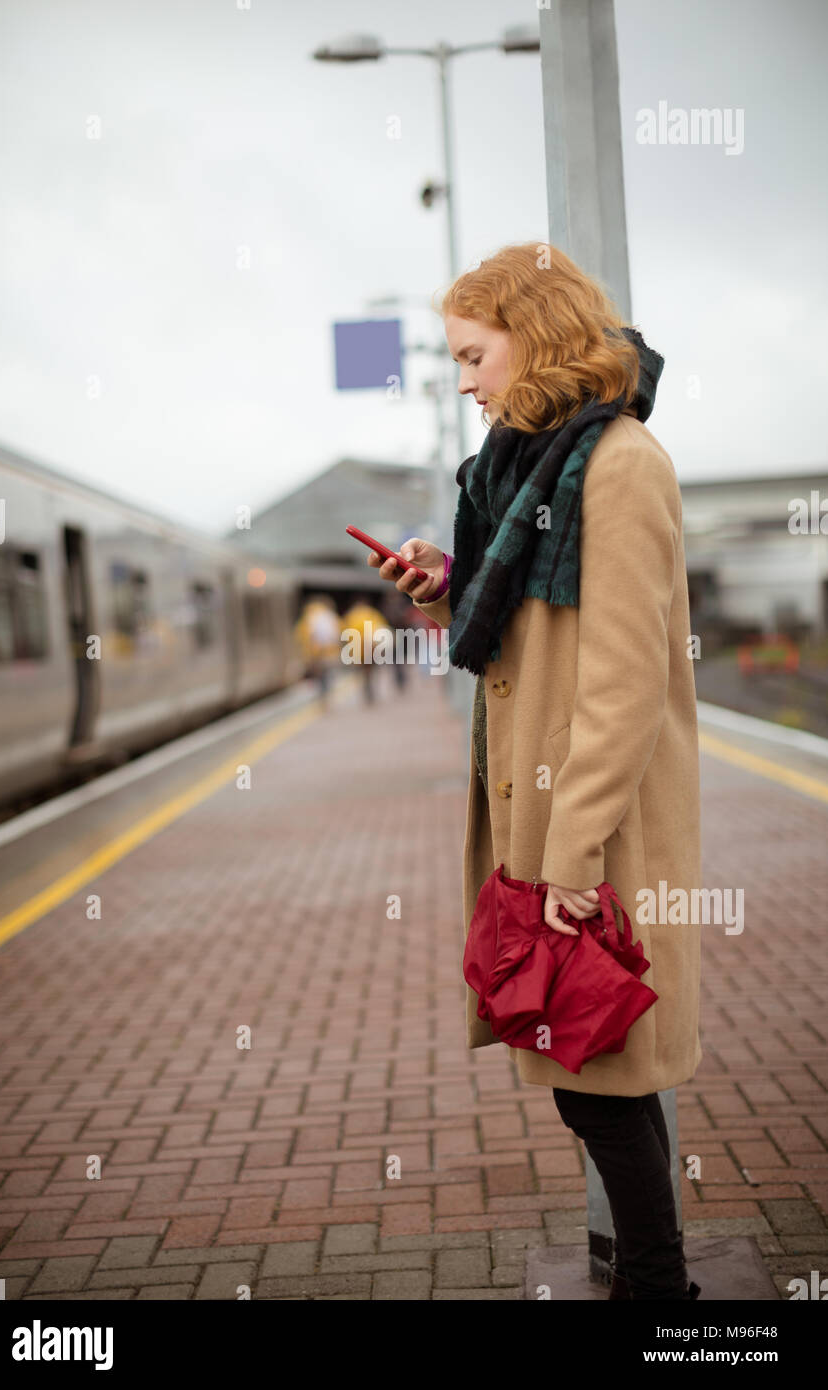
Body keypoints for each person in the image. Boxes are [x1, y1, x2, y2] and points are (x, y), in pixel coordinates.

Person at [367, 241, 702, 1301]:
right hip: (543, 811)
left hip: (589, 823)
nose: (462, 379)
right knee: (590, 1060)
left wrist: (570, 857)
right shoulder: (526, 463)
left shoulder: (618, 462)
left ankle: (660, 1292)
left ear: (535, 333)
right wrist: (447, 581)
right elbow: (530, 614)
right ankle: (659, 1285)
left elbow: (621, 682)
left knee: (597, 1071)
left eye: (472, 354)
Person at [340, 594, 390, 704]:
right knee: (371, 670)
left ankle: (366, 690)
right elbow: (381, 627)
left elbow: (344, 631)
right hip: (372, 646)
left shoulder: (351, 615)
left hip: (357, 647)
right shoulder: (372, 613)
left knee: (363, 671)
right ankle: (371, 691)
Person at [293, 595, 341, 705]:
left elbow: (301, 635)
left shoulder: (308, 617)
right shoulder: (330, 616)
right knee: (328, 676)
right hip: (330, 653)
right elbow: (337, 633)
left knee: (319, 677)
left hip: (314, 654)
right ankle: (326, 695)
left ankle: (322, 697)